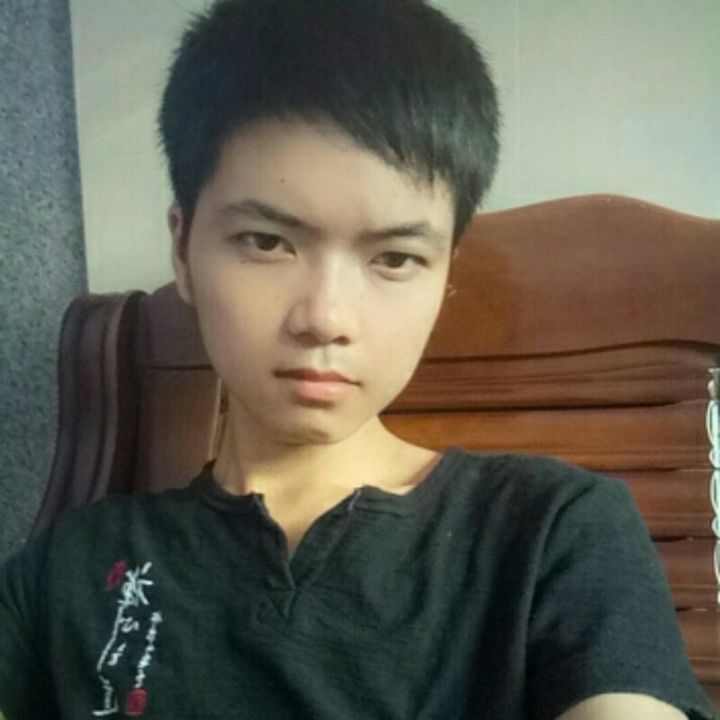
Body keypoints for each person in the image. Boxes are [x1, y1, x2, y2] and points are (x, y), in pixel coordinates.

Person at [0, 0, 715, 718]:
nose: (326, 318)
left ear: (446, 273)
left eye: (396, 258)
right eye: (266, 242)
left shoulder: (551, 531)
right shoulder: (70, 570)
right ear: (183, 250)